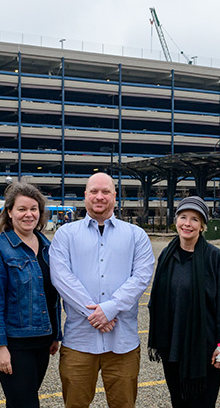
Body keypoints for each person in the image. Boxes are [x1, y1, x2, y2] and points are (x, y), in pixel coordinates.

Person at [50, 172, 155, 408]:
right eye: (94, 191)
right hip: (79, 342)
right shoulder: (65, 235)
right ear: (85, 195)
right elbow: (61, 278)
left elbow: (140, 278)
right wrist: (98, 314)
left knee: (124, 405)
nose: (100, 197)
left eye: (106, 191)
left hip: (123, 344)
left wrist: (110, 309)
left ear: (115, 196)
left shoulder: (136, 236)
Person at [147, 196, 220, 408]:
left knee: (203, 404)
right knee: (178, 403)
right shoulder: (167, 255)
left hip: (204, 349)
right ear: (176, 220)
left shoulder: (213, 257)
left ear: (202, 226)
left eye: (194, 219)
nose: (187, 224)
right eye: (183, 217)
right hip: (172, 346)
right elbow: (156, 299)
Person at [0, 182, 61, 408]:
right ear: (10, 212)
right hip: (14, 343)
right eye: (22, 209)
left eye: (34, 209)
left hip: (42, 340)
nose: (28, 214)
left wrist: (55, 334)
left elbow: (53, 295)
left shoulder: (48, 247)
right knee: (26, 403)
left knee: (21, 401)